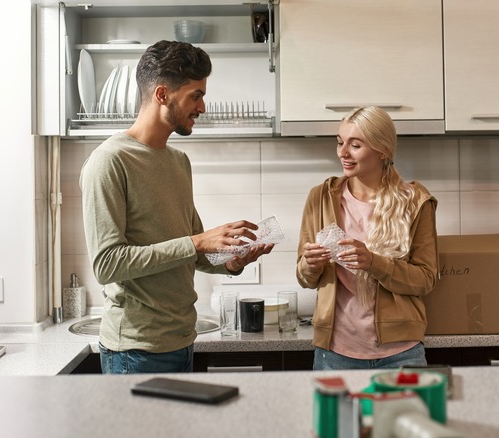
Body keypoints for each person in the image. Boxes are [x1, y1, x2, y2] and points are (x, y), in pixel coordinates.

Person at [80, 40, 273, 374]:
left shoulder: (179, 161)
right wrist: (197, 242)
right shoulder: (109, 161)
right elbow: (107, 264)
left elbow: (192, 251)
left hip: (182, 340)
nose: (202, 107)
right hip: (135, 350)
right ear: (162, 95)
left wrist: (230, 261)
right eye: (195, 95)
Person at [296, 106, 439, 370]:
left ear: (382, 150)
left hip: (402, 354)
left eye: (355, 145)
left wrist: (373, 262)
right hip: (335, 353)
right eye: (340, 143)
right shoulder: (320, 198)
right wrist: (310, 264)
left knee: (403, 414)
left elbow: (425, 279)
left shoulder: (416, 202)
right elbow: (305, 278)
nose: (343, 152)